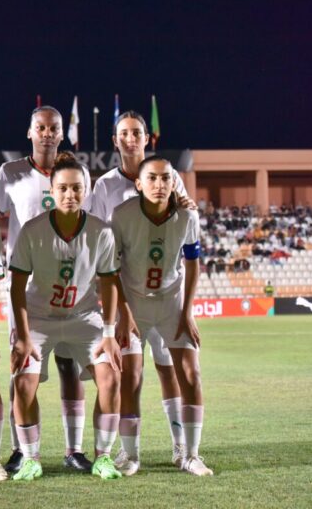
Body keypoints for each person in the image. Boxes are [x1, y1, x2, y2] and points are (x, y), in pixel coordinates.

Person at [0, 106, 94, 474]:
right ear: (29, 132)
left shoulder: (78, 173)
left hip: (69, 286)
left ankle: (74, 450)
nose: (47, 133)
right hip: (27, 288)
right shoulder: (10, 173)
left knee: (70, 368)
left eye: (53, 128)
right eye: (41, 127)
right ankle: (21, 449)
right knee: (22, 370)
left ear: (62, 134)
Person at [9, 156, 123, 481]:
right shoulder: (33, 230)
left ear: (86, 190)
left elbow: (109, 283)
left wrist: (109, 333)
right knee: (23, 384)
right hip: (39, 318)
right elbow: (16, 286)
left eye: (76, 188)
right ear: (52, 190)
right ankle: (30, 458)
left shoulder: (101, 231)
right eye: (63, 188)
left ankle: (103, 457)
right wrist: (23, 335)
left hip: (83, 316)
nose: (70, 194)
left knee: (110, 378)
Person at [90, 111, 191, 475]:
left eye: (136, 132)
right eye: (124, 133)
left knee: (169, 371)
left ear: (147, 138)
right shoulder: (104, 187)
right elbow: (101, 243)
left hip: (166, 292)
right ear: (115, 140)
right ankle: (129, 451)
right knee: (129, 375)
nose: (130, 139)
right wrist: (113, 305)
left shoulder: (170, 175)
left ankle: (181, 448)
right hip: (127, 296)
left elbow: (186, 219)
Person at [112, 156, 213, 476]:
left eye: (165, 178)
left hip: (172, 303)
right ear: (138, 184)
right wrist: (123, 313)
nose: (159, 184)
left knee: (191, 373)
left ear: (174, 182)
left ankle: (190, 454)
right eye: (152, 178)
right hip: (134, 304)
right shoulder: (122, 215)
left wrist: (187, 312)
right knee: (130, 377)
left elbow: (193, 265)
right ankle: (130, 455)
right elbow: (111, 269)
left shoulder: (188, 216)